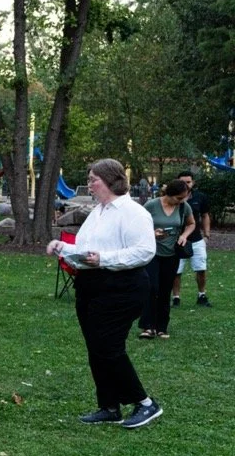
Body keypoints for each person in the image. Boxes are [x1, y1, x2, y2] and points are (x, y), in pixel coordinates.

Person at [47, 159, 163, 428]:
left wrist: (104, 259)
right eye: (88, 180)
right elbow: (86, 249)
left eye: (93, 180)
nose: (89, 185)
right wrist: (62, 248)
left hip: (122, 287)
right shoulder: (98, 212)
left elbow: (145, 251)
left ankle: (145, 403)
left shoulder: (133, 212)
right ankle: (109, 406)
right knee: (95, 346)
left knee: (107, 345)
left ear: (111, 180)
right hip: (91, 285)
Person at [137, 179, 194, 340]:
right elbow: (138, 225)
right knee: (152, 287)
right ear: (169, 194)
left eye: (184, 198)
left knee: (165, 289)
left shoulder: (184, 207)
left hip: (172, 254)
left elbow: (191, 224)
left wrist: (183, 235)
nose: (182, 200)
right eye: (179, 198)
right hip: (152, 253)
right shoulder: (151, 205)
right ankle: (148, 327)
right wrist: (152, 233)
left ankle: (162, 327)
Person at [172, 171, 212, 307]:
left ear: (193, 182)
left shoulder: (200, 197)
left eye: (188, 182)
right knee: (176, 271)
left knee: (201, 269)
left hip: (196, 239)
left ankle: (202, 295)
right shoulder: (171, 197)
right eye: (182, 182)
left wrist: (206, 235)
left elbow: (205, 215)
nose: (186, 184)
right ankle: (176, 298)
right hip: (176, 241)